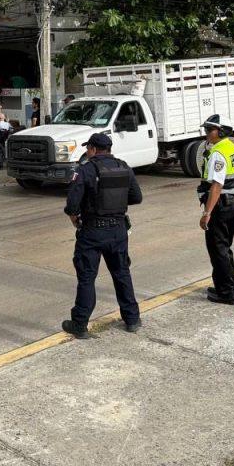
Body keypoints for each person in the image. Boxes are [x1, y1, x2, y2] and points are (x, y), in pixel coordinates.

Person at [61, 132, 143, 338]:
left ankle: (79, 324)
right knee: (122, 273)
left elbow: (72, 205)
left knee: (87, 277)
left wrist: (76, 220)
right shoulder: (124, 166)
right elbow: (136, 197)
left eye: (87, 148)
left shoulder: (86, 170)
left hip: (92, 231)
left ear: (94, 149)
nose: (86, 152)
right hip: (118, 230)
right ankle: (132, 319)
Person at [198, 114, 234, 305]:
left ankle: (226, 293)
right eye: (206, 130)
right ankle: (229, 285)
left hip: (221, 205)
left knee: (218, 249)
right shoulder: (232, 148)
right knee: (225, 247)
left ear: (221, 131)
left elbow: (216, 186)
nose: (207, 133)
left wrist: (206, 213)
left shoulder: (218, 153)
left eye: (210, 130)